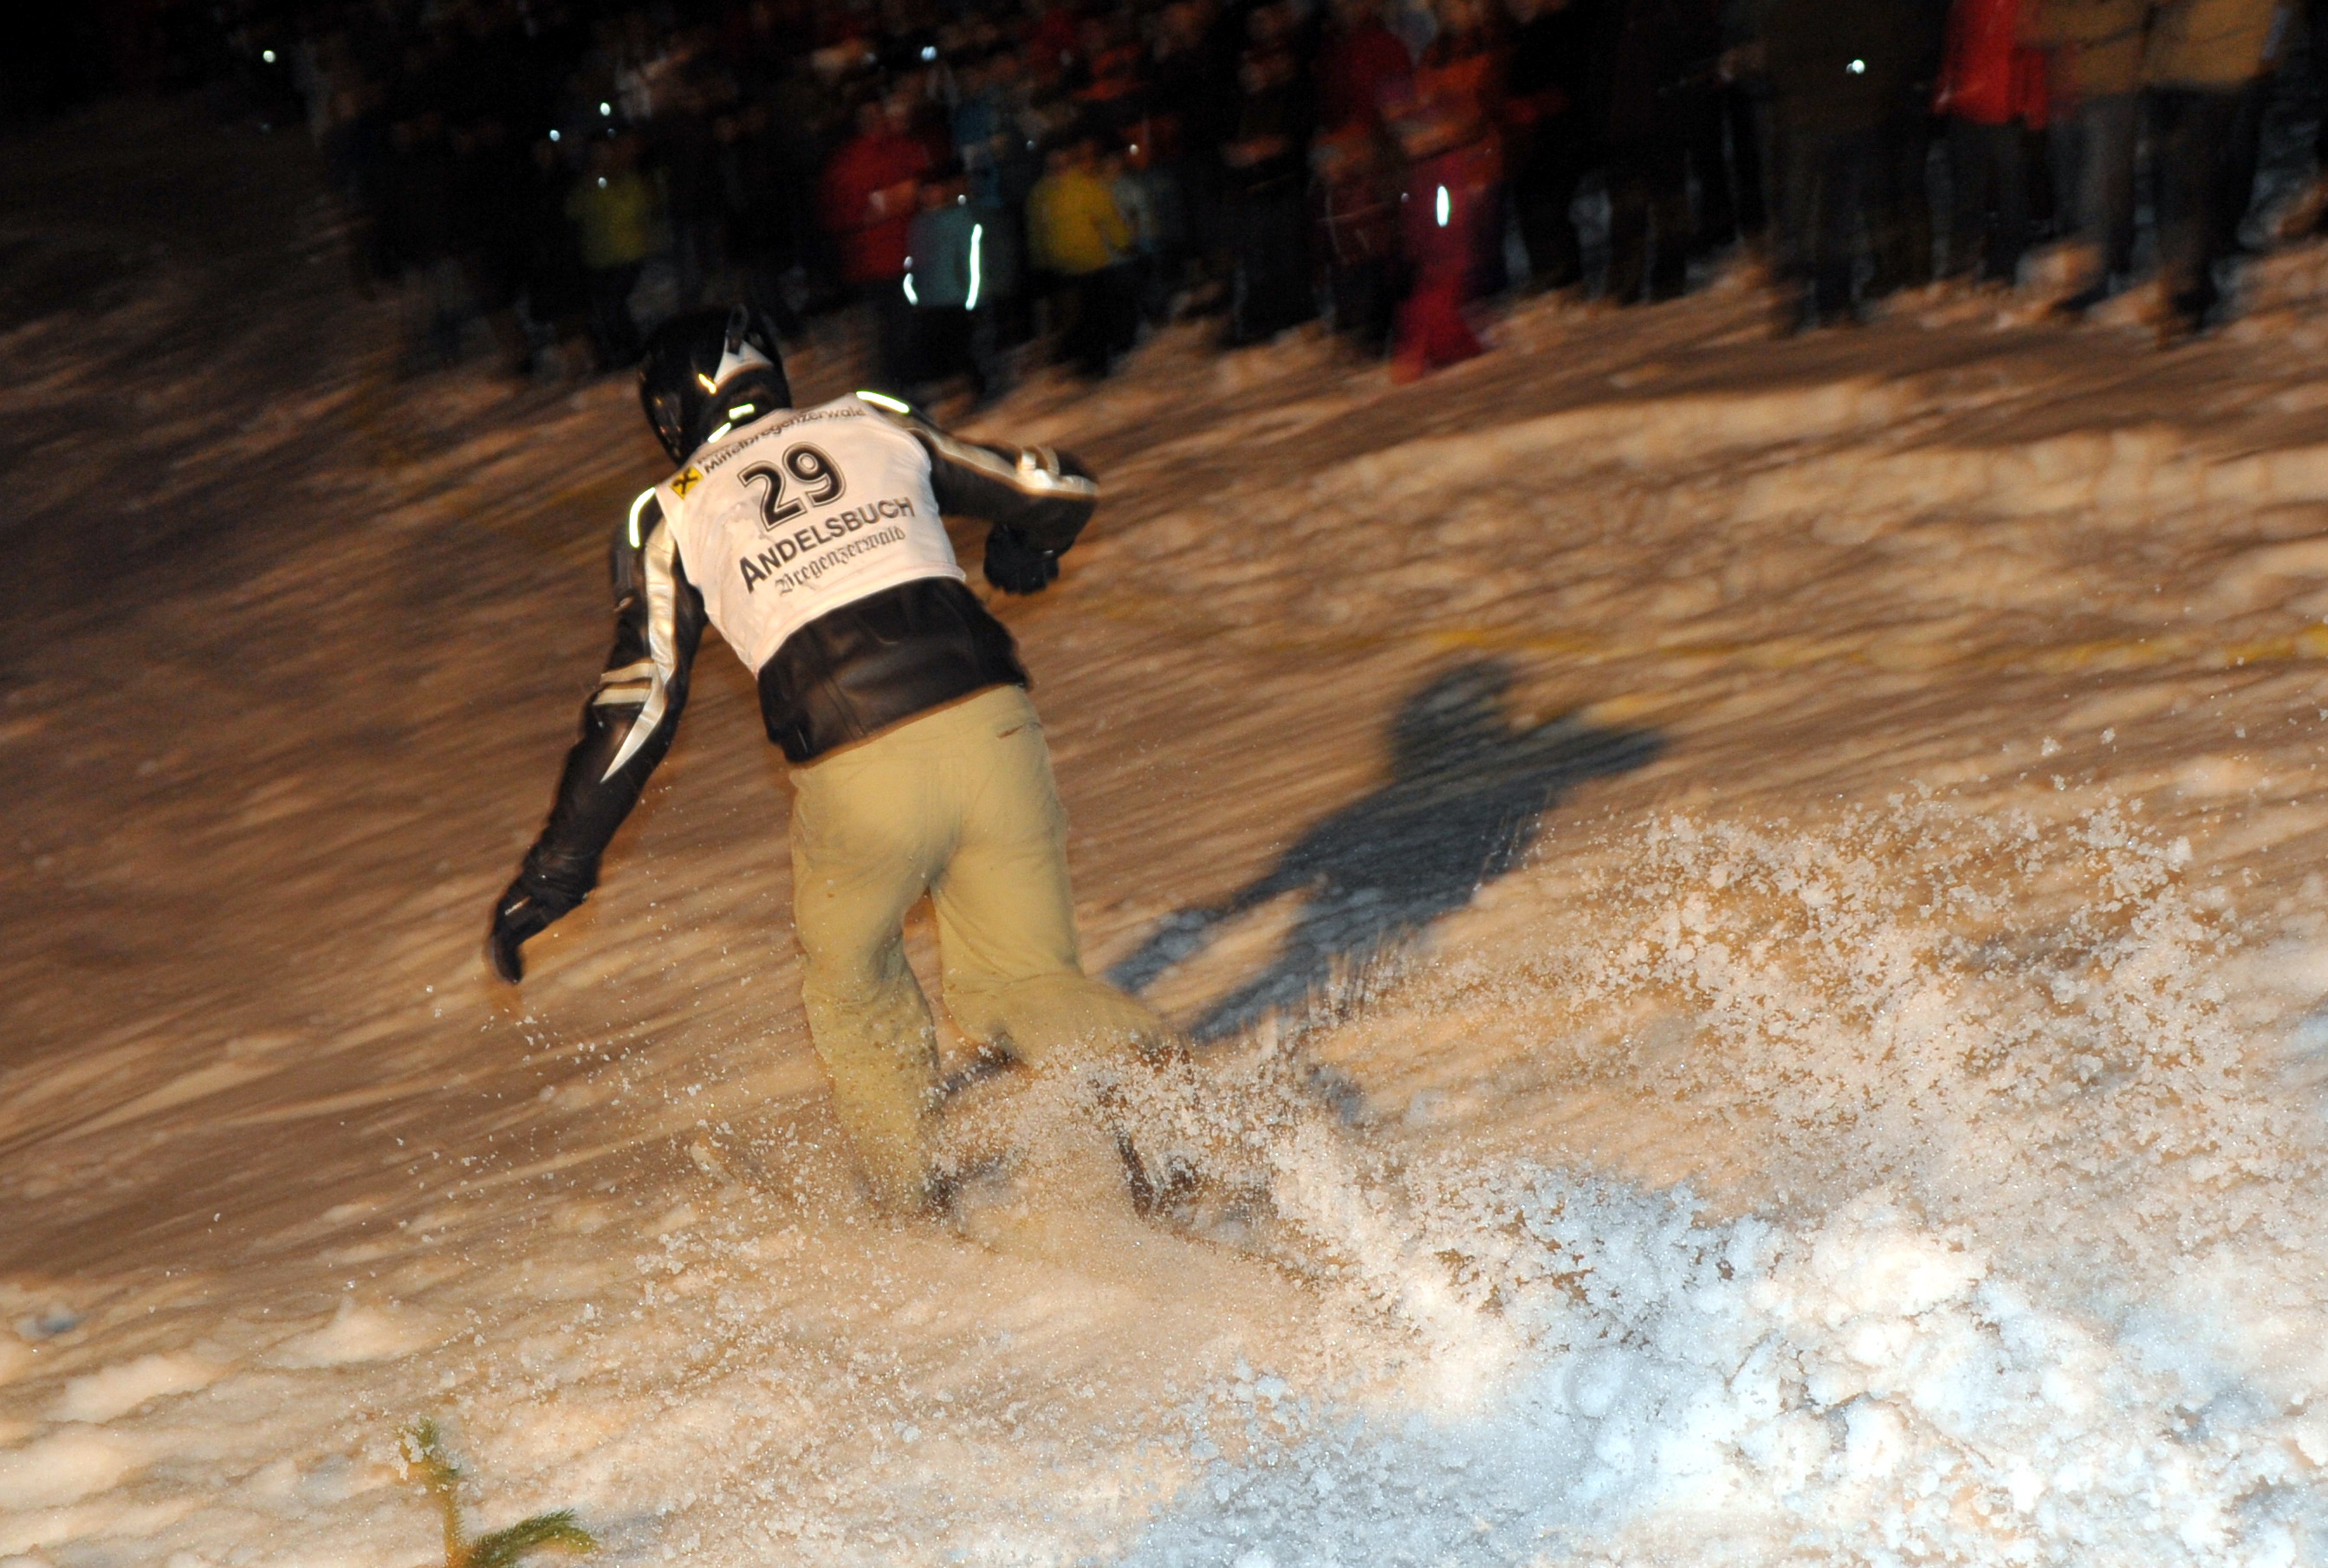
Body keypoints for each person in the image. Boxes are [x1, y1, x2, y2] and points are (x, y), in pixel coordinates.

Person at [486, 308, 1170, 1217]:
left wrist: (559, 867)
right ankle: (1182, 1110)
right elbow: (1058, 486)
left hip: (859, 769)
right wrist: (1025, 543)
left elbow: (639, 705)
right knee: (1025, 982)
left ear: (670, 412)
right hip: (995, 730)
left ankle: (911, 1194)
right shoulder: (869, 419)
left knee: (852, 978)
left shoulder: (671, 509)